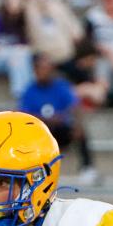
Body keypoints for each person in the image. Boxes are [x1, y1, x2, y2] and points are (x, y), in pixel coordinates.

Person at [19, 53, 96, 185]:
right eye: (41, 68)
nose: (44, 72)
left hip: (61, 129)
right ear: (35, 70)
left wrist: (77, 124)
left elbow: (75, 106)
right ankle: (29, 171)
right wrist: (46, 120)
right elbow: (24, 115)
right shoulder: (29, 91)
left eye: (46, 68)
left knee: (80, 132)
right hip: (41, 132)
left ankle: (87, 169)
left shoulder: (61, 86)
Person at [24, 0, 83, 72]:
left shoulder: (58, 5)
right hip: (41, 54)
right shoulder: (26, 6)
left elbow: (75, 30)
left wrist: (76, 37)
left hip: (65, 53)